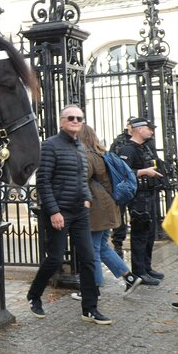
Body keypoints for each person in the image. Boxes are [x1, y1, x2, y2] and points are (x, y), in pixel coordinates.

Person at [27, 105, 112, 325]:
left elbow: (83, 179)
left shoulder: (81, 148)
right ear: (62, 121)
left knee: (88, 259)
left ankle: (90, 309)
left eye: (79, 118)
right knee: (55, 258)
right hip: (58, 212)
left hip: (80, 212)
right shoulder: (49, 146)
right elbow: (43, 181)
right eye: (71, 118)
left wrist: (87, 199)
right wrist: (54, 211)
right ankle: (34, 295)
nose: (75, 121)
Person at [69, 124, 141, 300]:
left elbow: (80, 181)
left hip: (97, 209)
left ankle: (93, 289)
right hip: (108, 206)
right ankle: (130, 278)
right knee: (102, 247)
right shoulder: (102, 154)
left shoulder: (86, 156)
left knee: (92, 250)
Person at [117, 117, 165, 285]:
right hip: (138, 197)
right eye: (148, 128)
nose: (151, 131)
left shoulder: (145, 147)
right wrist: (144, 172)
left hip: (149, 194)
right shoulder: (127, 149)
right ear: (137, 129)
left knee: (150, 232)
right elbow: (122, 173)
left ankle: (146, 267)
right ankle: (139, 272)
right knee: (139, 234)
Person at [109, 117, 133, 258]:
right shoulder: (119, 141)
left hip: (139, 185)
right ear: (128, 126)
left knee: (137, 215)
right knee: (120, 215)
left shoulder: (145, 141)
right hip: (122, 183)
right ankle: (118, 244)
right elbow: (112, 159)